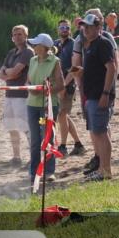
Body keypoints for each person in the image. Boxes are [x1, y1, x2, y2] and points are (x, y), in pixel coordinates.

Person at [78, 13, 117, 181]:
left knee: (101, 133)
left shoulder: (103, 43)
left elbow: (112, 68)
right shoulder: (91, 45)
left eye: (89, 26)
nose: (85, 29)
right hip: (92, 95)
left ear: (98, 27)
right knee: (97, 132)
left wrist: (106, 93)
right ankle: (101, 168)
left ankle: (105, 170)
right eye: (84, 26)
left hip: (99, 95)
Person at [25, 33, 66, 189]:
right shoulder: (32, 60)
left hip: (47, 107)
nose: (34, 47)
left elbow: (60, 85)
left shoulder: (55, 61)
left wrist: (44, 91)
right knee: (35, 140)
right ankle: (34, 171)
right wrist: (30, 87)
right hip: (32, 105)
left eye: (36, 45)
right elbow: (28, 80)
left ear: (44, 47)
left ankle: (49, 171)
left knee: (47, 138)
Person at [0, 25, 33, 167]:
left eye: (20, 34)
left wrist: (8, 72)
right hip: (9, 94)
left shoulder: (28, 52)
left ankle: (33, 156)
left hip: (22, 95)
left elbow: (13, 72)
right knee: (11, 126)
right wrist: (10, 72)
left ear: (26, 36)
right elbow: (1, 74)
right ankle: (16, 156)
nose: (17, 37)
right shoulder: (11, 53)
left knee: (27, 127)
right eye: (15, 34)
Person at [53, 20, 85, 157]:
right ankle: (78, 145)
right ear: (58, 29)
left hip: (68, 85)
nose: (64, 29)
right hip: (57, 85)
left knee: (61, 115)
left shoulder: (73, 44)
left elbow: (75, 67)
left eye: (66, 27)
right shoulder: (55, 44)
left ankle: (63, 146)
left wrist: (64, 85)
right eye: (61, 27)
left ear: (70, 29)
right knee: (63, 116)